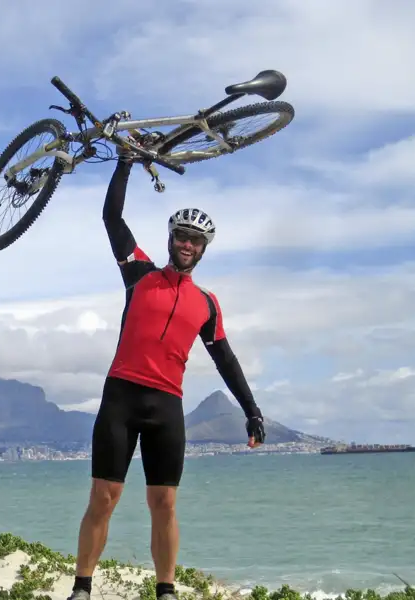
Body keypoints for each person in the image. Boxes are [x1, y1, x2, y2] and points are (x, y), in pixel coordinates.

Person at [67, 153, 266, 600]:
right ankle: (82, 586)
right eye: (181, 236)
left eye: (195, 240)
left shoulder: (207, 304)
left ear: (203, 248)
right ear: (171, 238)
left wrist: (252, 411)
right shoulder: (139, 273)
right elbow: (111, 217)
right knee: (104, 496)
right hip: (121, 397)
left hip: (166, 406)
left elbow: (226, 361)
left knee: (164, 503)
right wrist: (124, 163)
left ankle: (166, 589)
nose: (187, 244)